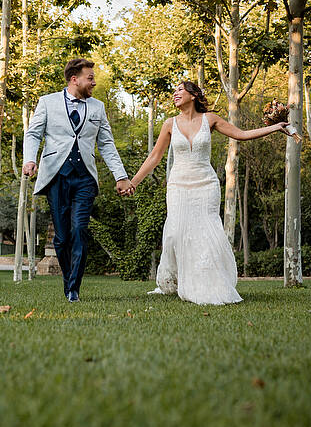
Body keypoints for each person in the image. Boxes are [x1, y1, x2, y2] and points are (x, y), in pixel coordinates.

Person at [125, 81, 292, 306]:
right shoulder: (169, 124)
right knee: (176, 233)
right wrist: (133, 182)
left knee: (206, 231)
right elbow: (154, 158)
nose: (175, 94)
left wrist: (275, 127)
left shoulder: (210, 119)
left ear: (193, 95)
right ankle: (175, 279)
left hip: (206, 184)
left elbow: (241, 134)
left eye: (179, 90)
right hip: (178, 185)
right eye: (174, 91)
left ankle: (209, 281)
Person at [22, 58, 132, 303]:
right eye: (90, 77)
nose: (93, 82)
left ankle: (74, 288)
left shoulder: (98, 107)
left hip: (85, 178)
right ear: (75, 79)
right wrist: (29, 160)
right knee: (62, 238)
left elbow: (106, 144)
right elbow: (33, 133)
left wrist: (121, 176)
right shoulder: (47, 102)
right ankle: (67, 281)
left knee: (80, 230)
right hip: (56, 177)